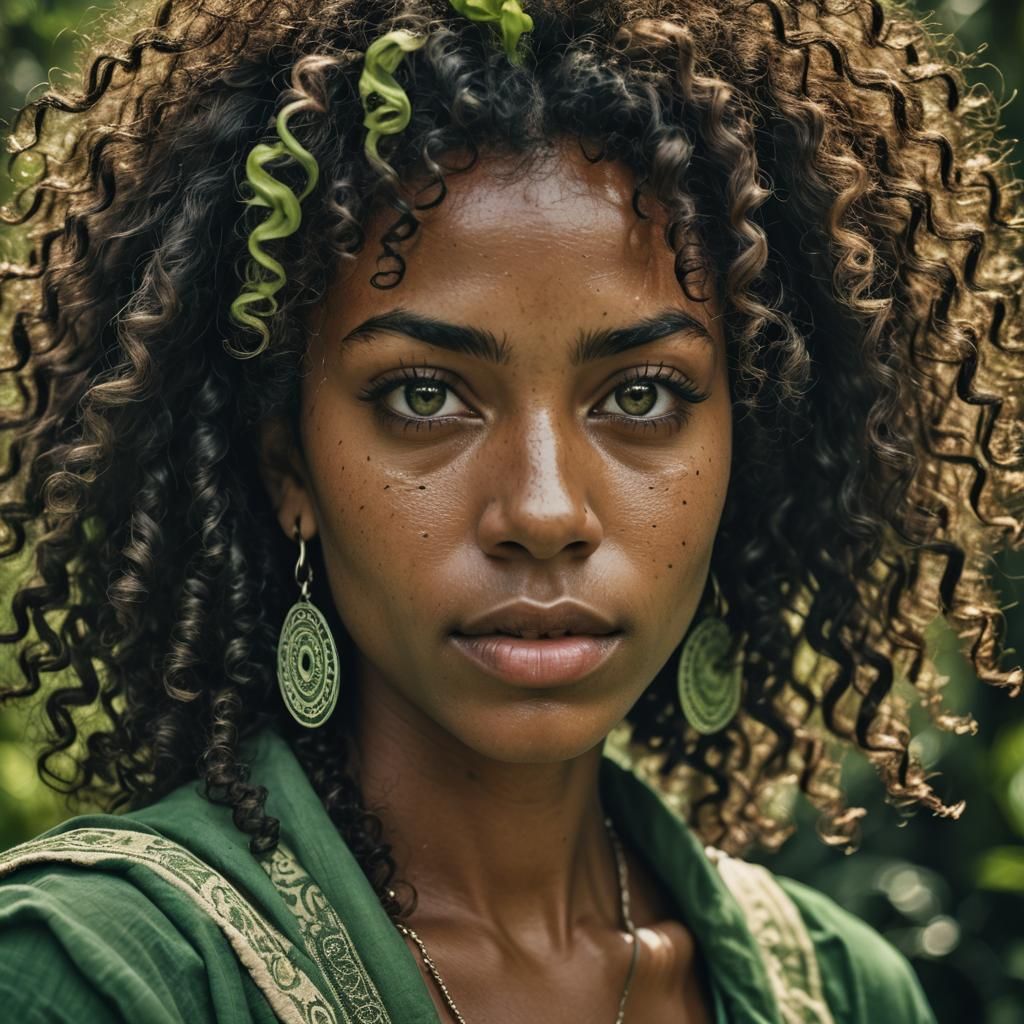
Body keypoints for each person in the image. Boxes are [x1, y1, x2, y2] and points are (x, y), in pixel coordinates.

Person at [0, 0, 1019, 1020]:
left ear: (744, 453)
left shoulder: (842, 992)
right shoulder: (97, 978)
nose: (542, 510)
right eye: (424, 395)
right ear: (286, 466)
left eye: (641, 394)